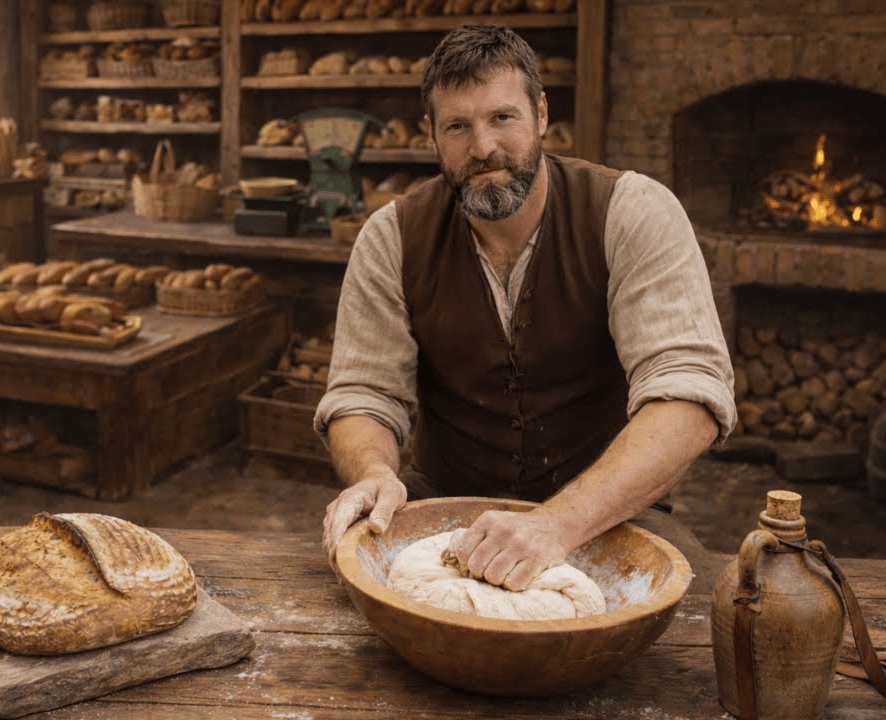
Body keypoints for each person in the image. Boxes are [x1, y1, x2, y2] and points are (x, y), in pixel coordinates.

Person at [315, 24, 736, 593]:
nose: (482, 147)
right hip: (442, 509)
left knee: (683, 624)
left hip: (608, 516)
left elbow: (689, 395)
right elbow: (362, 393)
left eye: (502, 118)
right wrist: (374, 473)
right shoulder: (391, 237)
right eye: (458, 126)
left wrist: (556, 524)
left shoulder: (632, 212)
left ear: (541, 114)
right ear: (431, 136)